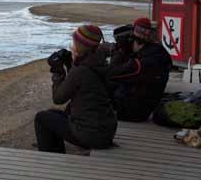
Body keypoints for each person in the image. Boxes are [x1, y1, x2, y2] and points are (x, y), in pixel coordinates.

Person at [34, 25, 117, 154]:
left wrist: (58, 72)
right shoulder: (100, 62)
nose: (72, 46)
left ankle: (51, 159)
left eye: (74, 43)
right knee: (52, 114)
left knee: (41, 118)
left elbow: (58, 98)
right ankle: (54, 149)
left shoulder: (81, 71)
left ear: (81, 46)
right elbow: (82, 84)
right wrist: (71, 63)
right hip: (106, 130)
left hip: (91, 135)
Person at [105, 18, 173, 122]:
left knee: (100, 83)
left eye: (131, 40)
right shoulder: (155, 52)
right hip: (137, 104)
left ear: (138, 42)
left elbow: (112, 73)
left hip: (134, 112)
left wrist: (120, 51)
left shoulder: (148, 60)